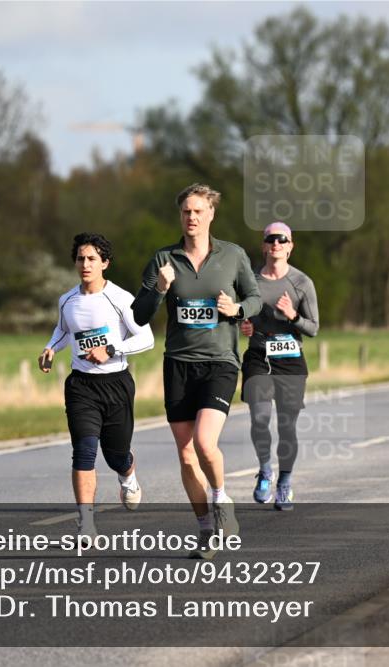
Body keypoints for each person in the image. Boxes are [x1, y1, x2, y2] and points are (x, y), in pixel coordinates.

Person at [132, 183, 261, 559]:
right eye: (186, 211)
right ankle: (206, 529)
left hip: (220, 362)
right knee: (187, 455)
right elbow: (139, 315)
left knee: (205, 443)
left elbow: (255, 297)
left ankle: (221, 500)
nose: (191, 217)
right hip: (178, 364)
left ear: (211, 214)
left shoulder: (232, 255)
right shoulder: (164, 259)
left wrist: (237, 309)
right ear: (180, 215)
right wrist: (159, 289)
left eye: (198, 211)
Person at [39, 232, 154, 542]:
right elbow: (64, 331)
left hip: (116, 384)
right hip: (81, 386)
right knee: (84, 450)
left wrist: (111, 350)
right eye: (80, 259)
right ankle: (86, 523)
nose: (85, 264)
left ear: (105, 263)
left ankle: (127, 474)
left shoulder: (121, 299)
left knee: (116, 455)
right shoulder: (67, 300)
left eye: (92, 259)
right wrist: (50, 348)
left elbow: (146, 338)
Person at [239, 222, 319, 511]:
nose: (276, 244)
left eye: (282, 240)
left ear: (290, 246)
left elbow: (313, 328)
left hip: (291, 360)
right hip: (259, 357)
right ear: (264, 246)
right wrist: (243, 325)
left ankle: (284, 482)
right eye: (271, 239)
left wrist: (292, 315)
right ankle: (265, 470)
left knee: (287, 427)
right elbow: (239, 314)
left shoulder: (302, 283)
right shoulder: (250, 282)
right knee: (259, 418)